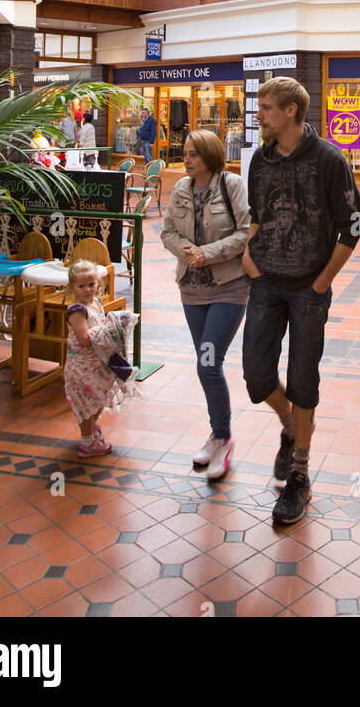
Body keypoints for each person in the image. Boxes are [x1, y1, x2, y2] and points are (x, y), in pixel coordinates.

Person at [242, 76, 360, 525]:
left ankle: (299, 474)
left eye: (268, 107)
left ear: (291, 110)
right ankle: (291, 426)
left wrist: (321, 282)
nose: (261, 114)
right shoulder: (261, 159)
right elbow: (257, 214)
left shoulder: (329, 159)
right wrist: (247, 257)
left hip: (309, 289)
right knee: (256, 375)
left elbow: (353, 224)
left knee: (302, 379)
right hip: (266, 283)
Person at [161, 130, 250, 481]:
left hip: (228, 287)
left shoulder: (232, 185)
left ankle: (223, 437)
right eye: (185, 152)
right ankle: (218, 436)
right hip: (191, 289)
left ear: (211, 155)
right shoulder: (182, 188)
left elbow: (246, 232)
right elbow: (167, 231)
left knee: (208, 364)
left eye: (194, 153)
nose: (187, 159)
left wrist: (207, 253)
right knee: (206, 363)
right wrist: (186, 251)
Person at [65, 259, 138, 458]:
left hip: (97, 363)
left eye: (91, 284)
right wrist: (109, 329)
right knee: (86, 404)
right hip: (82, 368)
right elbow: (85, 339)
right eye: (82, 286)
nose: (88, 289)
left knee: (97, 400)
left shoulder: (95, 302)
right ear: (72, 287)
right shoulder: (77, 311)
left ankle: (90, 430)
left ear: (98, 284)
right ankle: (87, 442)